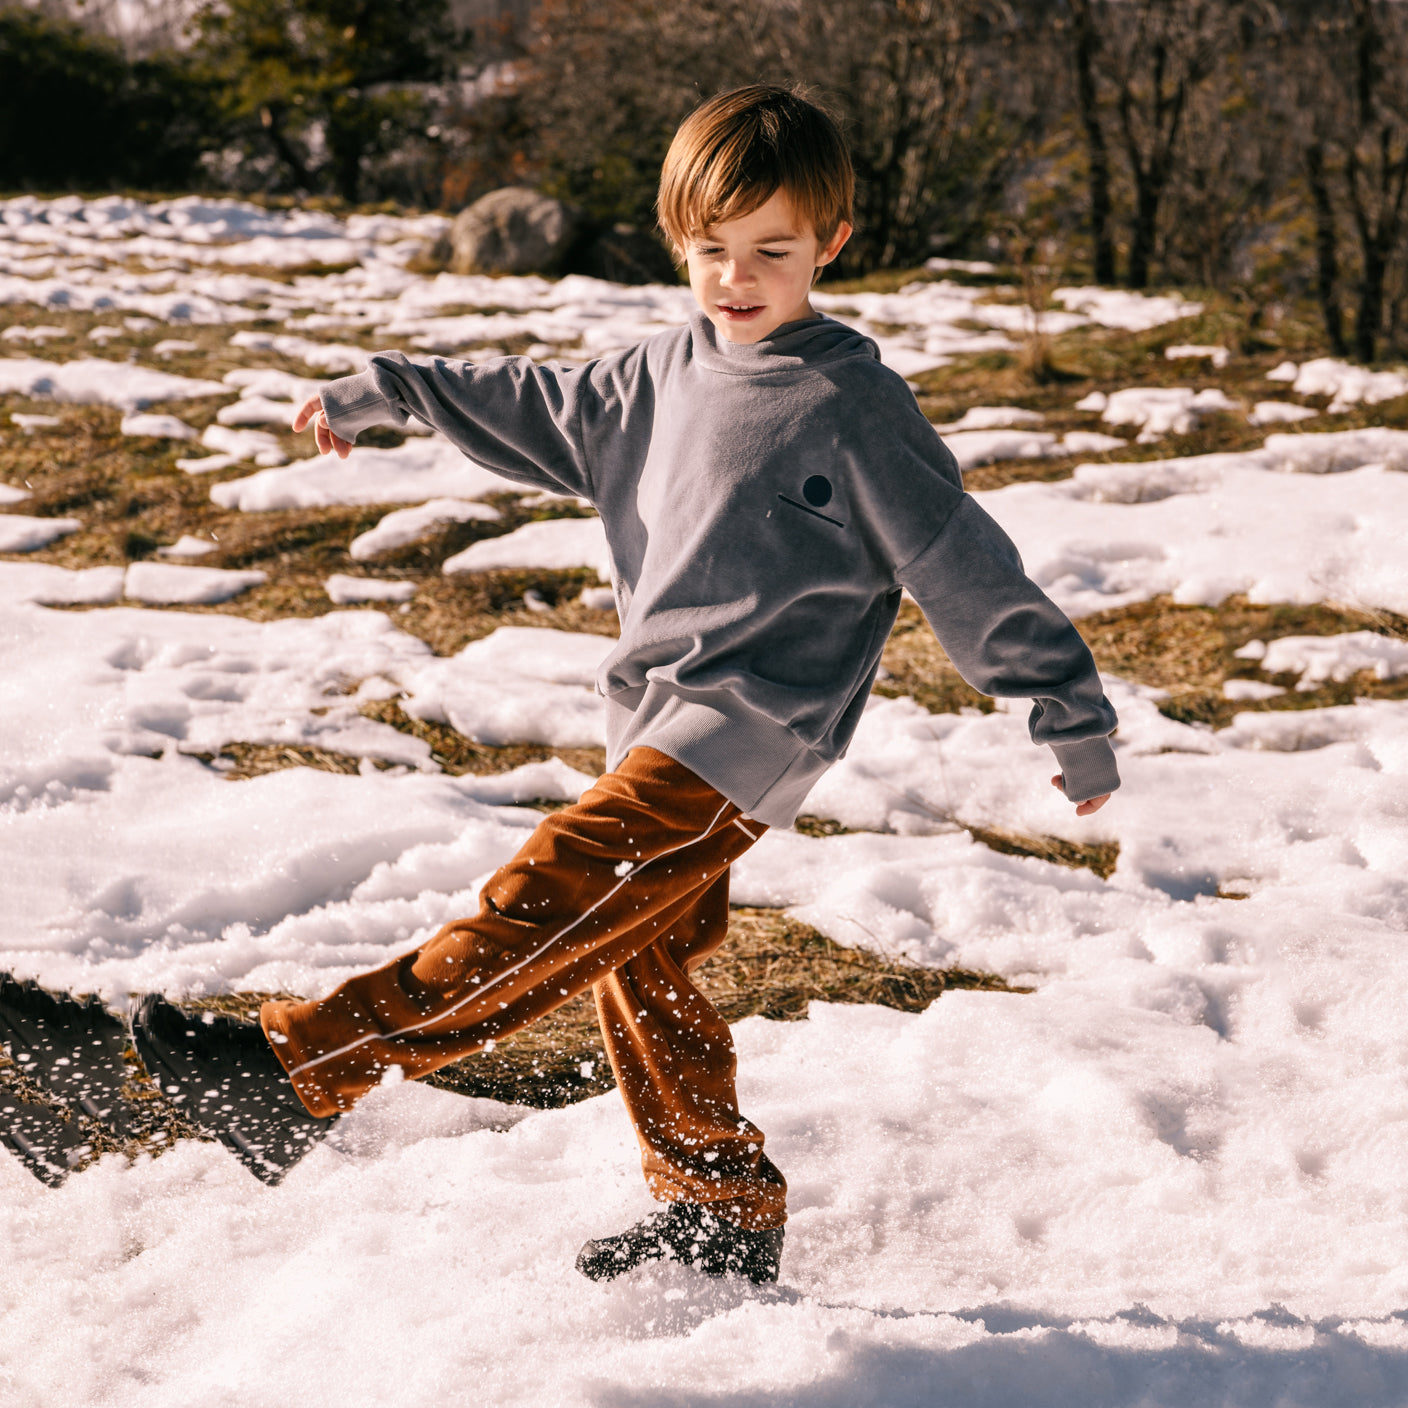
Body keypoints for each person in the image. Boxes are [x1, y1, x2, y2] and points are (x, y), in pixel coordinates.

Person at [144, 84, 1118, 1285]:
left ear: (832, 245)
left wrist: (1063, 706)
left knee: (548, 895)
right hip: (649, 720)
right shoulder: (654, 375)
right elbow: (523, 395)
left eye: (772, 249)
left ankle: (295, 1073)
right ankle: (718, 1205)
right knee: (635, 962)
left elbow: (962, 563)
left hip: (750, 733)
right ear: (678, 243)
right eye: (711, 249)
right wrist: (387, 390)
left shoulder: (852, 406)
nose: (738, 277)